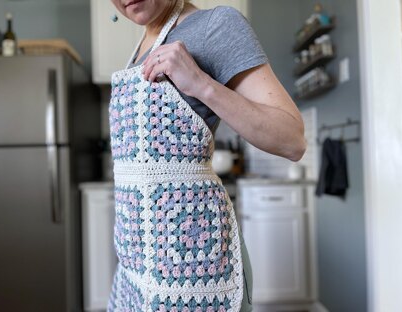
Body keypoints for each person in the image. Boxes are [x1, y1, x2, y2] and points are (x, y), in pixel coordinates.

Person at [107, 0, 307, 311]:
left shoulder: (216, 26)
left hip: (195, 269)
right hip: (137, 270)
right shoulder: (141, 45)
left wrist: (202, 85)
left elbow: (292, 139)